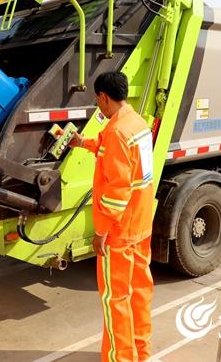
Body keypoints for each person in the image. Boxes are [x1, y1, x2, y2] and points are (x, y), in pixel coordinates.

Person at [68, 71, 154, 362]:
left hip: (119, 232)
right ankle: (141, 352)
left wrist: (101, 232)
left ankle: (120, 358)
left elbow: (117, 190)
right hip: (141, 225)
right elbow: (113, 152)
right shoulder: (136, 123)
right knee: (139, 291)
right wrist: (83, 143)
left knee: (115, 299)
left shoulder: (118, 131)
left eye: (97, 101)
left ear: (103, 97)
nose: (98, 106)